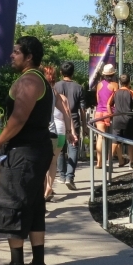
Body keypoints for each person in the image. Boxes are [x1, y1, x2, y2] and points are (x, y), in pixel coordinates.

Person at [0, 36, 54, 265]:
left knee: (12, 204)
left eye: (16, 52)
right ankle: (39, 264)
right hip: (37, 150)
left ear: (29, 57)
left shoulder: (29, 80)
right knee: (34, 206)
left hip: (23, 153)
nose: (12, 55)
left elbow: (19, 119)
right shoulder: (40, 80)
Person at [41, 65, 77, 202]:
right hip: (58, 134)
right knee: (52, 162)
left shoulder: (40, 92)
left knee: (43, 164)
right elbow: (68, 114)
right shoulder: (58, 96)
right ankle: (49, 186)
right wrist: (70, 132)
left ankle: (44, 190)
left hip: (46, 133)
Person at [54, 61, 85, 190]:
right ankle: (70, 176)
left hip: (58, 120)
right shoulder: (79, 87)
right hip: (73, 120)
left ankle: (62, 175)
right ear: (73, 73)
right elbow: (82, 109)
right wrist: (85, 125)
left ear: (61, 72)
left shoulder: (55, 86)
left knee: (60, 149)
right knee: (73, 147)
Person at [107, 74, 133, 167]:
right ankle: (132, 162)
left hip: (117, 118)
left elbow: (108, 104)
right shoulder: (131, 92)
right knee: (130, 142)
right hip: (128, 119)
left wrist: (111, 115)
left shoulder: (116, 93)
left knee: (115, 141)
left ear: (120, 82)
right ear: (129, 82)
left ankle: (109, 161)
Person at [93, 64, 118, 168]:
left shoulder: (99, 85)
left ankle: (99, 162)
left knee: (100, 137)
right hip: (109, 113)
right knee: (111, 137)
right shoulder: (115, 85)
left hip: (99, 112)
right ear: (113, 74)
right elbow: (116, 100)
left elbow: (98, 99)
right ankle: (109, 159)